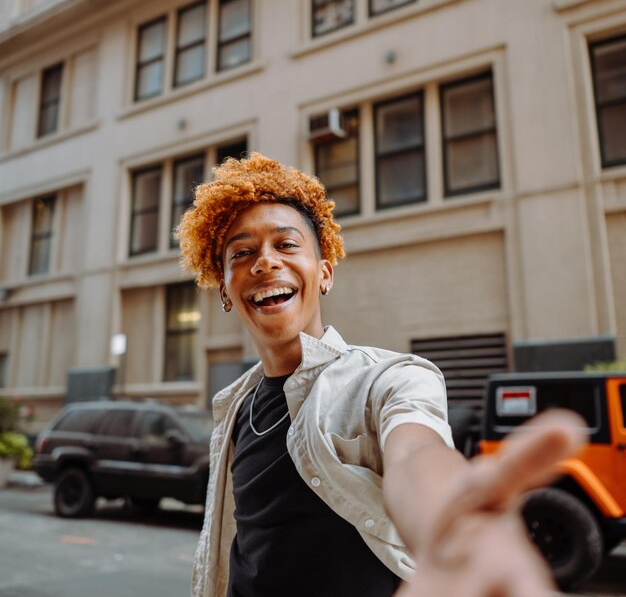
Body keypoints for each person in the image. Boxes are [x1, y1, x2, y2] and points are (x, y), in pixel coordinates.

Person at [177, 152, 585, 597]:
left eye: (287, 244)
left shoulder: (387, 379)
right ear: (226, 293)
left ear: (325, 273)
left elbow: (415, 451)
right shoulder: (234, 406)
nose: (265, 262)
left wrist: (444, 512)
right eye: (242, 252)